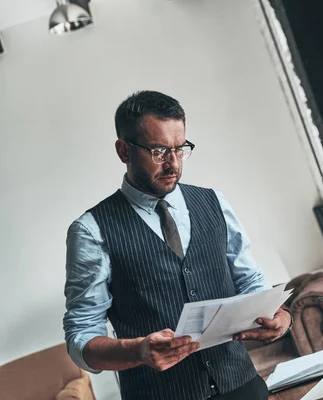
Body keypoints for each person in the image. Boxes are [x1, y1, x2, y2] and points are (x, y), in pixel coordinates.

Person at [63, 90, 291, 400]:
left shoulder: (214, 203)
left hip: (242, 386)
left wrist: (280, 317)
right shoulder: (91, 231)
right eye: (158, 151)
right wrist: (138, 350)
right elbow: (81, 337)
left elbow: (251, 282)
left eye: (180, 148)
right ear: (124, 151)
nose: (173, 163)